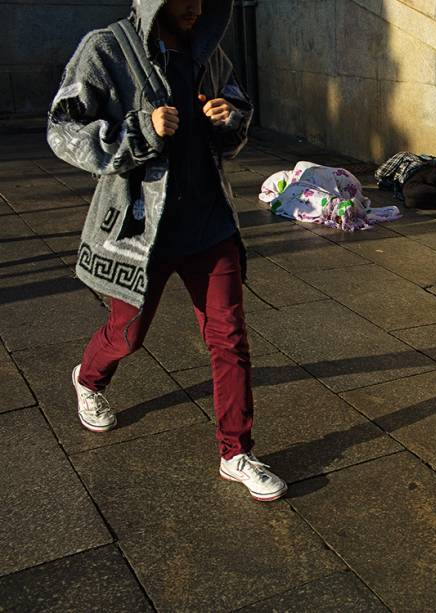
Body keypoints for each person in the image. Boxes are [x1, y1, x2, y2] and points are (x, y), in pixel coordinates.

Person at [47, 0, 286, 501]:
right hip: (141, 233)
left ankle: (235, 452)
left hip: (209, 224)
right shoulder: (105, 49)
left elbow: (237, 113)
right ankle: (88, 378)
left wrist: (230, 119)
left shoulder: (210, 53)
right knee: (127, 336)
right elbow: (62, 130)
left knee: (229, 337)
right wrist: (139, 130)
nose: (196, 8)